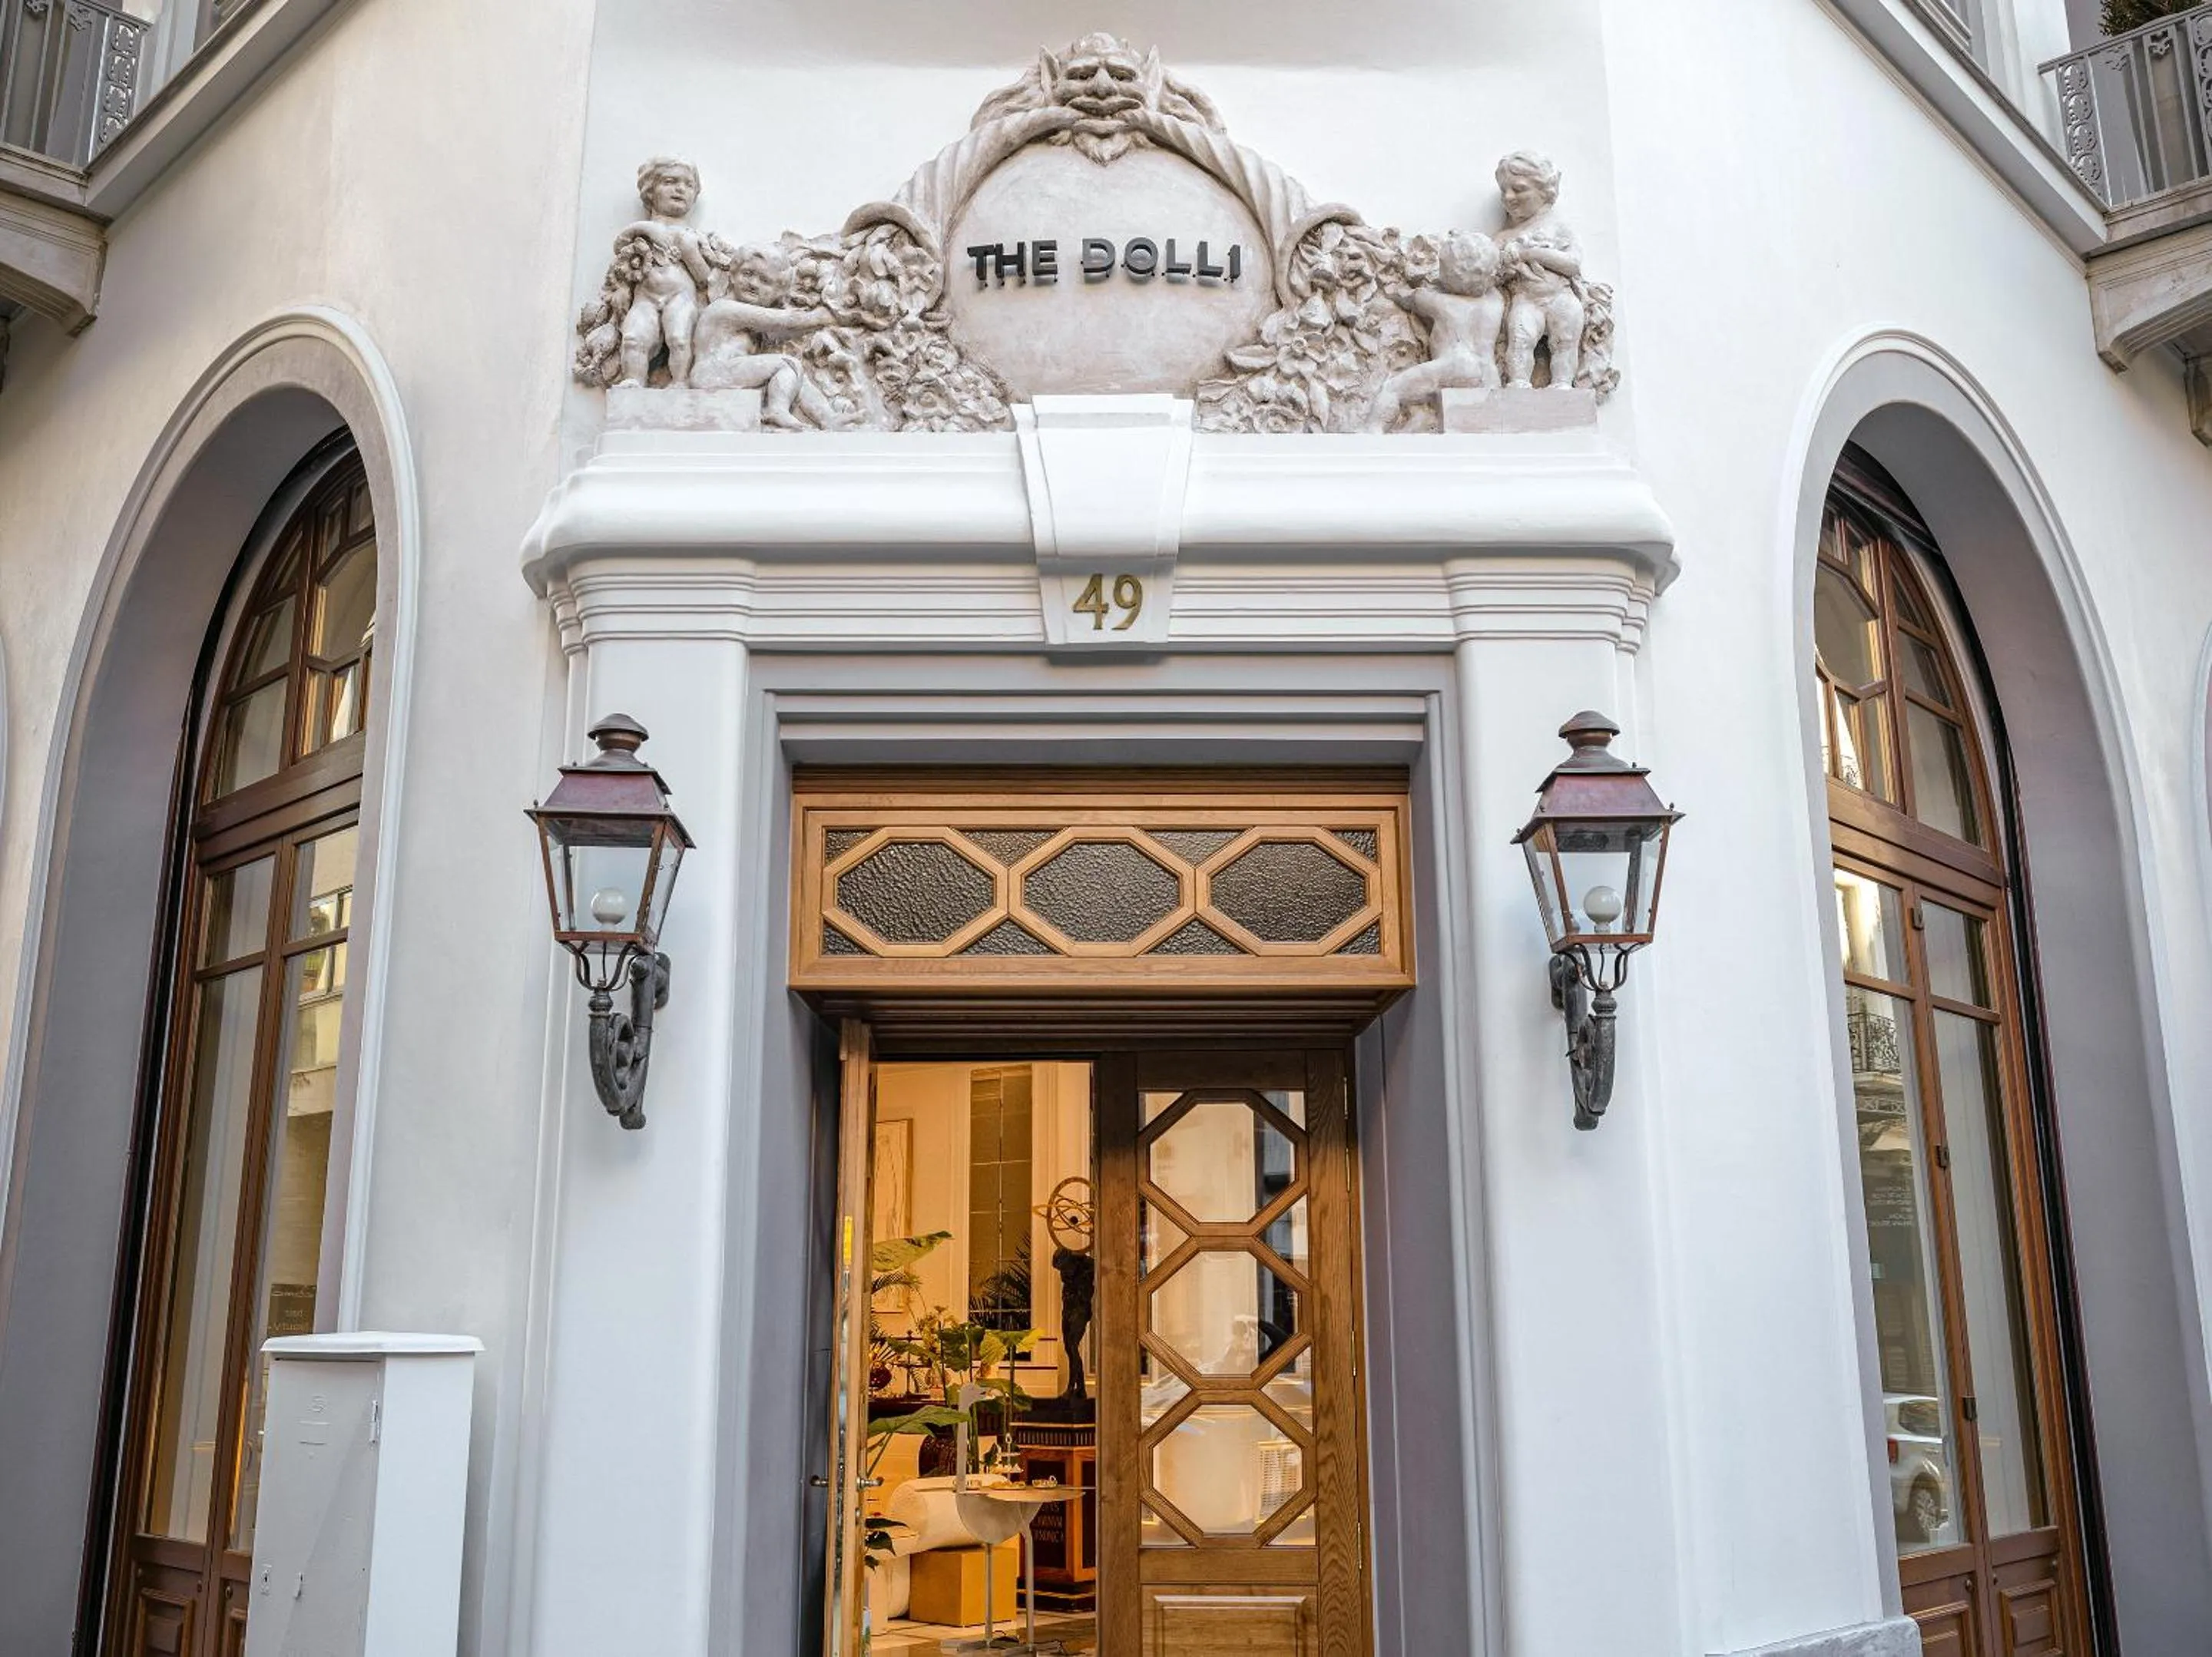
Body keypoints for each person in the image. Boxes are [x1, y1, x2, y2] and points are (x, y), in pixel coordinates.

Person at [689, 246, 849, 429]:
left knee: (797, 375)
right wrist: (823, 317)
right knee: (787, 364)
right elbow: (783, 321)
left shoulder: (750, 326)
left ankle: (827, 417)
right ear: (732, 275)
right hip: (711, 374)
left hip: (725, 372)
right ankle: (777, 410)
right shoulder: (724, 309)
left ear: (776, 294)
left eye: (764, 280)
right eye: (748, 273)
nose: (753, 283)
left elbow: (782, 330)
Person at [1366, 230, 1505, 432]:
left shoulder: (1439, 302)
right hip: (1490, 376)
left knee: (1393, 389)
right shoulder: (1496, 301)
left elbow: (1403, 295)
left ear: (1452, 276)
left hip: (1457, 364)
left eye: (1443, 269)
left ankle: (1371, 433)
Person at [611, 157, 717, 388]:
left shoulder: (694, 236)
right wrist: (647, 227)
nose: (680, 189)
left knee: (679, 338)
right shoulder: (641, 233)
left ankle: (680, 381)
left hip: (681, 297)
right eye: (671, 181)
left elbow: (705, 279)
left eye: (689, 185)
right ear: (650, 190)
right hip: (645, 299)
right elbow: (620, 247)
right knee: (633, 338)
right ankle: (633, 380)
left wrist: (690, 253)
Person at [1495, 150, 1587, 391]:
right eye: (1504, 190)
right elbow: (1492, 274)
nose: (1508, 197)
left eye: (1519, 189)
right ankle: (1518, 382)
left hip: (1561, 297)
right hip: (1526, 299)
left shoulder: (1559, 229)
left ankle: (1563, 385)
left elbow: (1573, 264)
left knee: (1565, 342)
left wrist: (1531, 254)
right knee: (1520, 339)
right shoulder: (1503, 238)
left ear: (1545, 191)